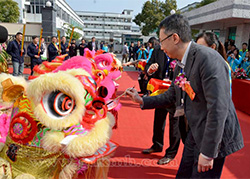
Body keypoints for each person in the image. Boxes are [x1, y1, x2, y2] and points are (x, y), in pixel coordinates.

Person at [126, 14, 243, 178]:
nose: (159, 46)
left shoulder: (208, 59)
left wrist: (208, 153)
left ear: (174, 38)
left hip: (214, 138)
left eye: (161, 41)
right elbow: (171, 95)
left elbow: (218, 109)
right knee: (183, 174)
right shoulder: (180, 64)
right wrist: (142, 100)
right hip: (195, 131)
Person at [142, 38, 186, 165]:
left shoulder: (179, 51)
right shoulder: (157, 50)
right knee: (158, 119)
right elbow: (148, 67)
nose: (162, 47)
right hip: (160, 90)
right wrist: (150, 70)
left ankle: (171, 153)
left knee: (174, 124)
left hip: (175, 93)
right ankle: (157, 144)